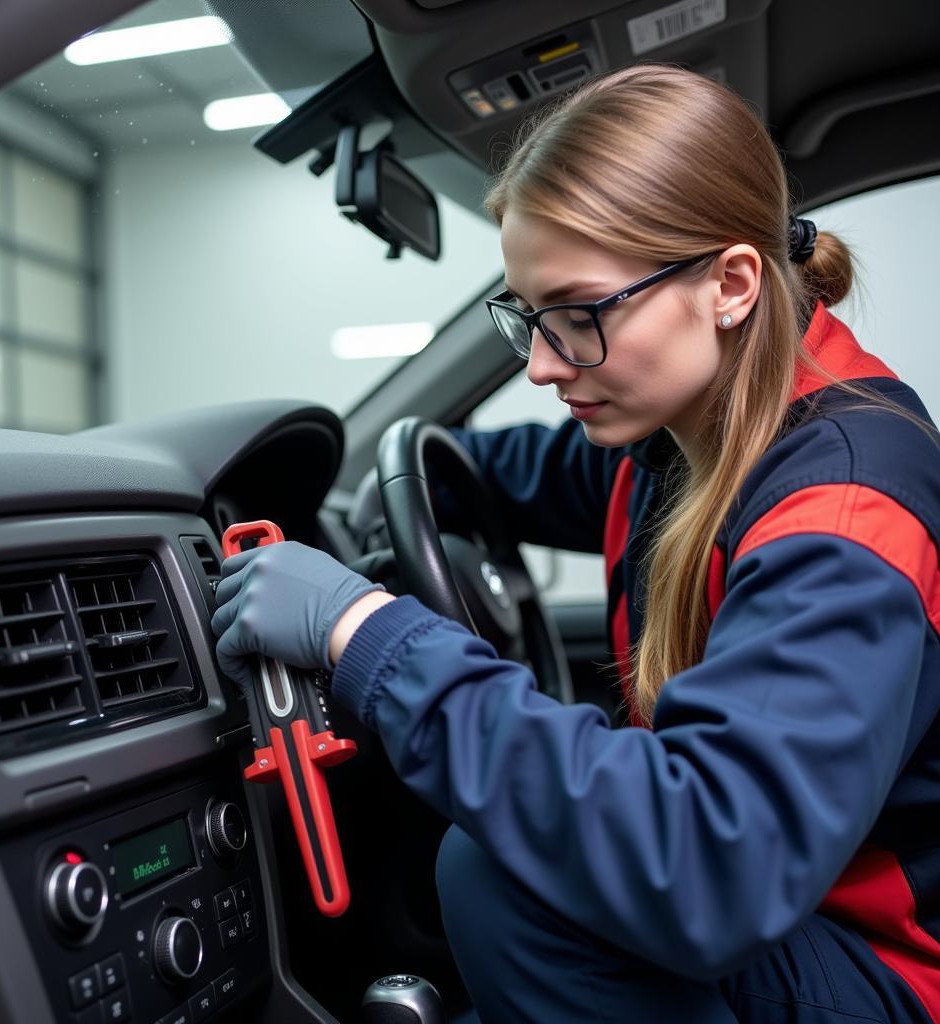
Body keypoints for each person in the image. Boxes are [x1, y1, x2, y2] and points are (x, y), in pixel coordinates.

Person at [211, 64, 940, 1023]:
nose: (548, 365)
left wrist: (365, 632)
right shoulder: (690, 433)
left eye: (580, 316)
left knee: (509, 877)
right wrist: (350, 501)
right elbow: (495, 472)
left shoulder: (842, 507)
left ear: (729, 283)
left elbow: (708, 861)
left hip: (881, 970)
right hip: (789, 928)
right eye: (527, 318)